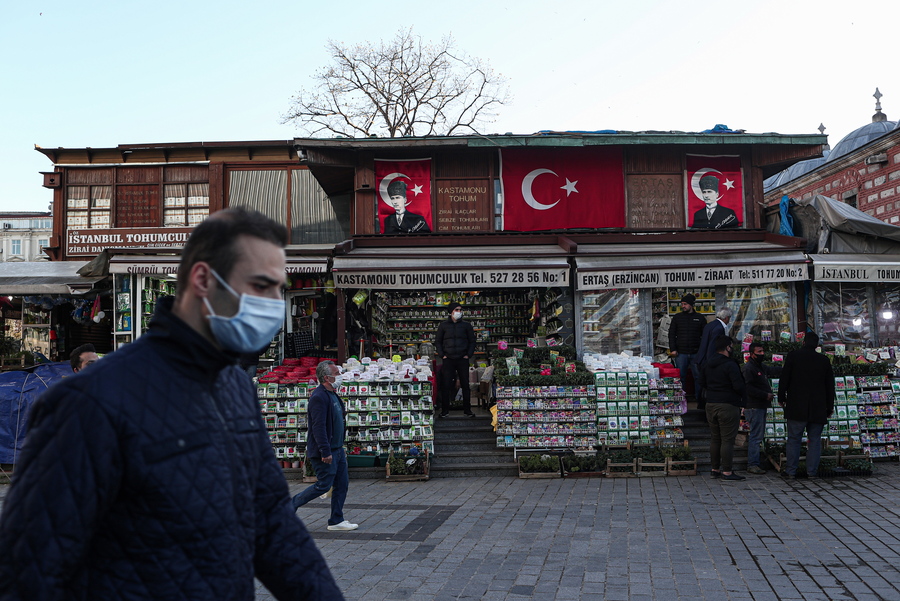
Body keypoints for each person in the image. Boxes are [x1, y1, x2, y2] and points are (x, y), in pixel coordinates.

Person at [0, 208, 344, 600]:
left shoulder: (235, 386)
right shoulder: (87, 403)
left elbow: (269, 520)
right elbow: (30, 570)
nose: (271, 304)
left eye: (276, 289)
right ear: (202, 279)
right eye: (261, 286)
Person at [291, 360, 357, 532]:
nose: (340, 376)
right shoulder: (319, 397)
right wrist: (325, 451)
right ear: (326, 377)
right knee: (324, 485)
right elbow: (318, 427)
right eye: (336, 374)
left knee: (342, 484)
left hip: (337, 449)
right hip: (326, 451)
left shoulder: (333, 394)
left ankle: (336, 520)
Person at [778, 332, 835, 479]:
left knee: (794, 439)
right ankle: (812, 472)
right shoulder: (823, 360)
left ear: (803, 342)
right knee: (814, 440)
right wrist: (829, 407)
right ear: (817, 345)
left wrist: (781, 396)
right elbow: (830, 386)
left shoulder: (793, 356)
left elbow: (784, 377)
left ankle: (791, 471)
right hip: (818, 407)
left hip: (796, 406)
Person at [699, 335, 746, 481]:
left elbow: (702, 382)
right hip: (727, 405)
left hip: (711, 404)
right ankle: (727, 471)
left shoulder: (707, 363)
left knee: (715, 438)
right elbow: (738, 386)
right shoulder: (730, 364)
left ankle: (714, 469)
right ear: (727, 347)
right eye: (731, 346)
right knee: (727, 439)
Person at [742, 342, 782, 475]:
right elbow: (748, 388)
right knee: (755, 436)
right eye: (759, 352)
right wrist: (765, 395)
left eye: (763, 351)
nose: (762, 354)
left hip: (759, 406)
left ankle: (754, 463)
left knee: (756, 436)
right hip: (754, 406)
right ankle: (753, 464)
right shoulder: (749, 368)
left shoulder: (759, 366)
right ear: (752, 354)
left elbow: (771, 370)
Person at [435, 302, 476, 418]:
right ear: (451, 311)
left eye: (460, 310)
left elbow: (472, 341)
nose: (459, 312)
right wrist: (442, 355)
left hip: (462, 358)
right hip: (448, 359)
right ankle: (445, 411)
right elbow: (438, 341)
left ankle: (467, 410)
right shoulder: (443, 326)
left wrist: (468, 354)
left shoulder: (466, 326)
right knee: (446, 385)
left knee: (465, 384)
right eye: (456, 310)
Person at [693, 306, 733, 409]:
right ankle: (703, 407)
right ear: (727, 317)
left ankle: (701, 404)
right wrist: (712, 362)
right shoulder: (719, 328)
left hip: (701, 358)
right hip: (708, 360)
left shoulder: (710, 325)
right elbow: (712, 346)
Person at [667, 293, 706, 400]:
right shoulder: (677, 318)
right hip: (681, 353)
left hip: (696, 353)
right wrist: (673, 349)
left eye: (685, 304)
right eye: (682, 304)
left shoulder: (700, 318)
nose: (683, 306)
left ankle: (700, 401)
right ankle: (681, 400)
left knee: (698, 377)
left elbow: (705, 335)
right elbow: (671, 334)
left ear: (691, 305)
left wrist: (702, 351)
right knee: (680, 378)